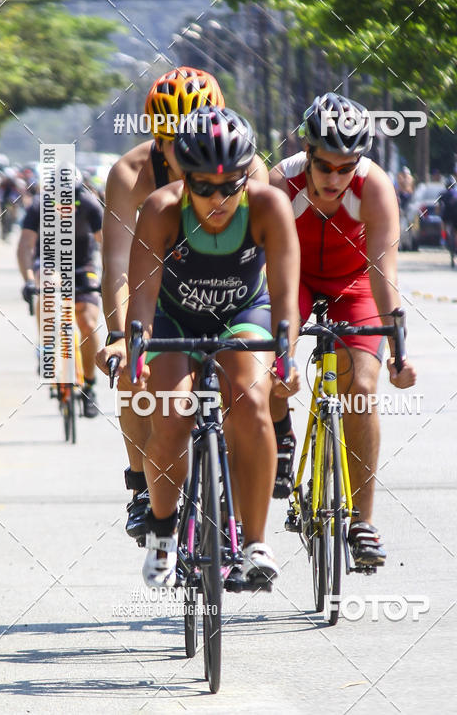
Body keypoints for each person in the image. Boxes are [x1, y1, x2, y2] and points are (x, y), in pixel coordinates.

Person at [122, 106, 300, 587]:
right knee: (175, 412)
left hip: (242, 315)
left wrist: (287, 356)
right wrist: (136, 356)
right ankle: (162, 532)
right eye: (203, 187)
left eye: (231, 185)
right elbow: (140, 302)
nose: (218, 197)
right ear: (184, 177)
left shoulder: (269, 207)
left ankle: (255, 542)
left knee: (251, 400)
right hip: (173, 318)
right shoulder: (161, 209)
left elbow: (285, 299)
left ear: (248, 177)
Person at [96, 67, 269, 548]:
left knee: (252, 387)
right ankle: (139, 484)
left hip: (231, 292)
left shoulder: (242, 164)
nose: (186, 153)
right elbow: (118, 266)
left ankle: (242, 506)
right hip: (161, 290)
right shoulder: (131, 175)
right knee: (136, 369)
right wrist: (118, 335)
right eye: (173, 141)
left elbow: (267, 257)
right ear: (157, 136)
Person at [269, 92, 416, 569]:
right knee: (273, 364)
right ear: (306, 153)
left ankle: (363, 522)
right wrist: (280, 352)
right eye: (325, 166)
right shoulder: (279, 183)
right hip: (296, 280)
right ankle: (281, 432)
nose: (334, 178)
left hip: (355, 281)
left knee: (363, 387)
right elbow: (270, 273)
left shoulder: (374, 187)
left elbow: (383, 271)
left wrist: (396, 348)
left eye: (345, 167)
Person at [17, 167, 103, 416]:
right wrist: (28, 280)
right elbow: (25, 246)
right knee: (47, 284)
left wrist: (109, 277)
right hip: (49, 262)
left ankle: (89, 385)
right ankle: (46, 347)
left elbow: (107, 244)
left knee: (87, 323)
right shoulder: (37, 207)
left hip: (82, 265)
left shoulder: (89, 205)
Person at [439, 176, 457, 253]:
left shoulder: (442, 193)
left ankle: (444, 238)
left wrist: (438, 213)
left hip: (447, 213)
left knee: (443, 222)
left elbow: (438, 206)